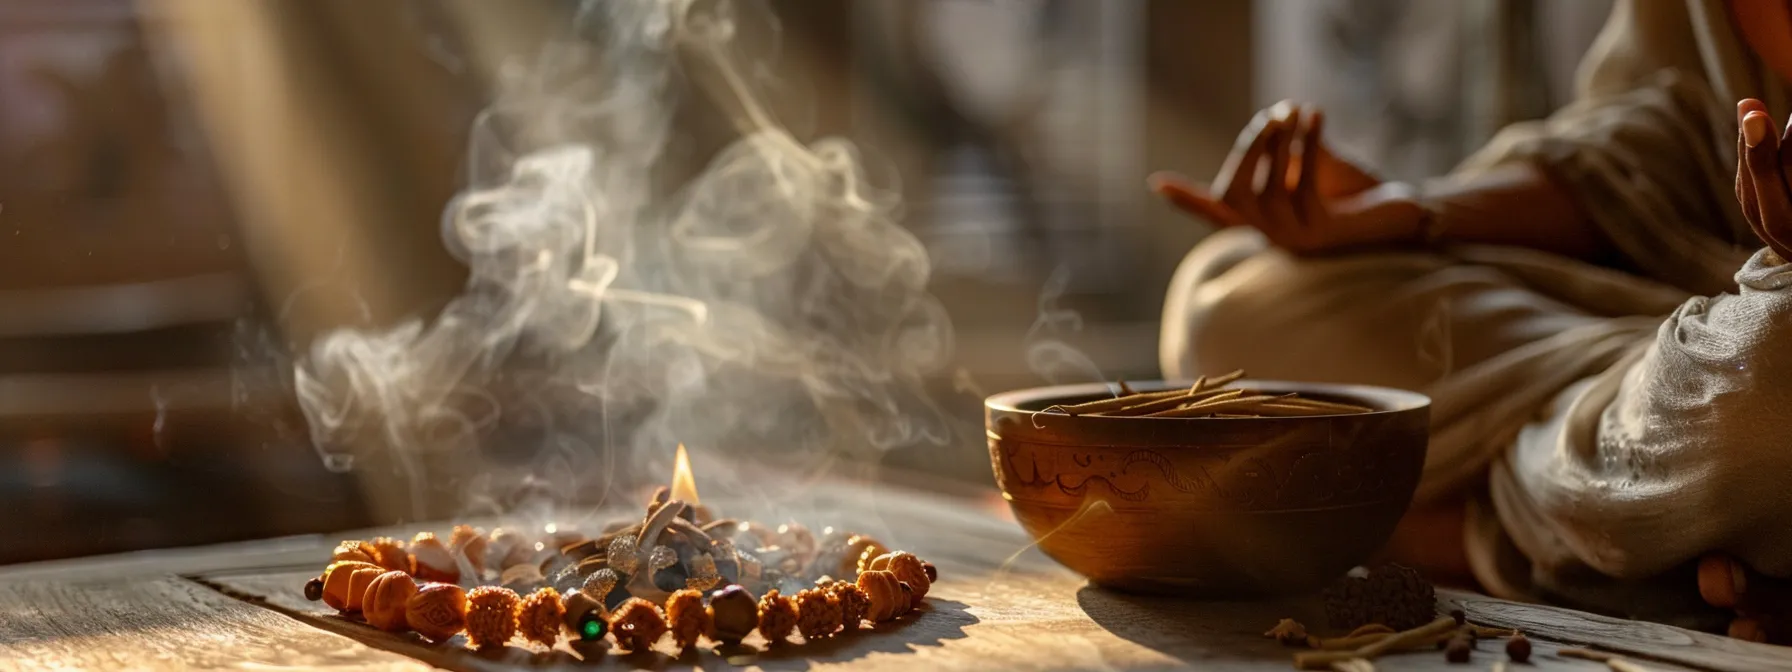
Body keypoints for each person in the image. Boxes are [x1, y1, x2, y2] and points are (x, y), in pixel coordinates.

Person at [1153, 0, 1792, 634]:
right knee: (1229, 299)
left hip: (1752, 368)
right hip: (1658, 338)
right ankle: (1637, 536)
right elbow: (1650, 156)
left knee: (1765, 389)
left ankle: (1452, 535)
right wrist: (1400, 212)